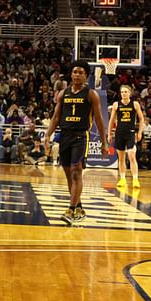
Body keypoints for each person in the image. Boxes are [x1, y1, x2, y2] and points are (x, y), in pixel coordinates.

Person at [44, 60, 108, 224]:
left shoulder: (91, 94)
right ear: (71, 74)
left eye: (80, 72)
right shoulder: (63, 93)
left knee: (76, 172)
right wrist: (47, 135)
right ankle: (78, 207)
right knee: (68, 175)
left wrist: (104, 142)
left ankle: (71, 209)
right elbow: (56, 117)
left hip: (81, 136)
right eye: (75, 72)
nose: (77, 75)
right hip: (64, 135)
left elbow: (99, 120)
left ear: (86, 75)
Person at [107, 85, 144, 189]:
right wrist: (109, 133)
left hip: (131, 133)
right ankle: (122, 179)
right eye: (122, 92)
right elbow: (111, 120)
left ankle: (135, 179)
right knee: (121, 157)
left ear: (130, 93)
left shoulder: (135, 104)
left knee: (132, 156)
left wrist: (140, 132)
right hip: (119, 133)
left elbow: (141, 119)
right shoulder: (116, 104)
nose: (124, 93)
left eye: (126, 92)